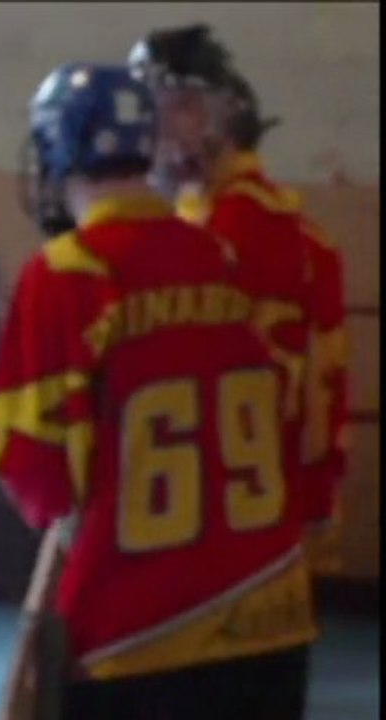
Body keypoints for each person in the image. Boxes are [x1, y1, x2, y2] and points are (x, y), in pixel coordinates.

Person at [0, 63, 321, 719]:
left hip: (138, 633)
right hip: (272, 615)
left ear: (58, 152)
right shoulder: (220, 255)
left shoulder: (68, 272)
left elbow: (37, 477)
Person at [127, 25, 348, 538]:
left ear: (223, 116)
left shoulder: (224, 229)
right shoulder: (287, 223)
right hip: (274, 495)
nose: (156, 127)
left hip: (221, 507)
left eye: (178, 105)